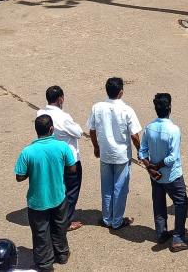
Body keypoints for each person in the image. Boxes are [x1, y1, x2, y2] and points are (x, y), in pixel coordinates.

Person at [15, 115, 76, 272]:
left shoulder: (27, 152)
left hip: (37, 201)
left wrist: (34, 170)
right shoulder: (62, 147)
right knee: (60, 227)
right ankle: (62, 255)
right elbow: (72, 168)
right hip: (59, 196)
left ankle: (44, 264)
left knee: (41, 233)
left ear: (36, 130)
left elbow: (19, 177)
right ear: (51, 129)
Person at [139, 93, 188, 252]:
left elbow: (142, 152)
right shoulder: (173, 130)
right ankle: (178, 238)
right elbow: (173, 157)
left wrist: (150, 166)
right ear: (169, 108)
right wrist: (158, 165)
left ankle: (161, 233)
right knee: (181, 203)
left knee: (158, 203)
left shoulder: (149, 128)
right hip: (172, 176)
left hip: (155, 177)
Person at [86, 77, 142, 230]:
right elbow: (135, 136)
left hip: (105, 154)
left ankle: (107, 218)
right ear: (121, 92)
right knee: (120, 188)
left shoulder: (97, 107)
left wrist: (96, 147)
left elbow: (91, 130)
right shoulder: (127, 110)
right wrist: (141, 152)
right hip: (122, 156)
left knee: (106, 187)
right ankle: (116, 221)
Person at [38, 86, 85, 231]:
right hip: (69, 161)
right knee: (71, 191)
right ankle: (65, 222)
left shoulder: (41, 113)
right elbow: (78, 132)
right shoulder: (64, 117)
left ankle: (56, 217)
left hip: (51, 159)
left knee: (58, 189)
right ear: (60, 99)